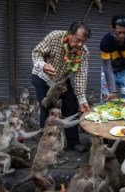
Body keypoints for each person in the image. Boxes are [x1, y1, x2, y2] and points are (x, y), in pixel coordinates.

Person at [31, 22, 91, 152]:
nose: (80, 44)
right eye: (78, 40)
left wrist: (82, 100)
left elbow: (80, 76)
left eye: (83, 41)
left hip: (61, 80)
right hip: (43, 77)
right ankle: (47, 144)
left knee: (72, 105)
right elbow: (37, 53)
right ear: (70, 34)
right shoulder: (54, 37)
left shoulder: (84, 52)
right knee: (47, 109)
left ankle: (74, 142)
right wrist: (43, 65)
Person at [100, 14, 125, 102]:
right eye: (119, 32)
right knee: (107, 98)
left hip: (124, 70)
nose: (122, 35)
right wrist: (112, 90)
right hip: (109, 70)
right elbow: (107, 66)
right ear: (112, 29)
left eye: (124, 32)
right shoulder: (105, 42)